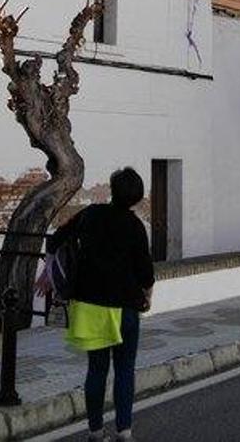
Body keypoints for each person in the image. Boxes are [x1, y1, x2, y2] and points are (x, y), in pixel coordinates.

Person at [49, 167, 155, 441]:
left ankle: (95, 432)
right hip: (124, 308)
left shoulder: (91, 214)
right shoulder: (135, 226)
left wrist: (52, 274)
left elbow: (55, 240)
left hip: (89, 305)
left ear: (111, 189)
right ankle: (124, 431)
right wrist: (148, 296)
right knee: (124, 369)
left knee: (96, 370)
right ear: (137, 197)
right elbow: (146, 273)